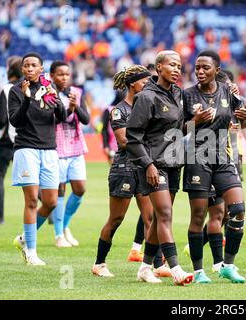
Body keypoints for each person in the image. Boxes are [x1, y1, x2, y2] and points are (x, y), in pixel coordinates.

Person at [92, 65, 171, 277]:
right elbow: (124, 141)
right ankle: (99, 263)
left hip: (143, 167)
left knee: (150, 218)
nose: (148, 85)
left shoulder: (146, 106)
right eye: (145, 82)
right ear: (132, 84)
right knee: (116, 218)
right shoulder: (119, 110)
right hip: (124, 168)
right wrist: (153, 143)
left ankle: (156, 264)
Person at [182, 50, 246, 284]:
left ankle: (227, 265)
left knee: (238, 209)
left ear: (217, 71)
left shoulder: (228, 93)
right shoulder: (187, 95)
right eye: (197, 68)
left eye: (205, 68)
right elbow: (176, 129)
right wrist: (196, 122)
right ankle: (199, 271)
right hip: (197, 158)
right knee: (199, 215)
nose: (200, 72)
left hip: (222, 157)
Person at [126, 50, 194, 285]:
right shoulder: (146, 97)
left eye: (179, 65)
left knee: (158, 217)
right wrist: (148, 165)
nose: (177, 69)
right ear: (159, 68)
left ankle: (145, 267)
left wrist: (197, 123)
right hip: (154, 165)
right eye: (172, 65)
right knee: (165, 214)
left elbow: (179, 129)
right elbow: (133, 136)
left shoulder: (179, 94)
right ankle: (174, 268)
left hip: (174, 163)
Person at [11, 52, 67, 265]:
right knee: (32, 199)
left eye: (34, 65)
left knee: (51, 201)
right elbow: (15, 121)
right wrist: (26, 99)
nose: (29, 68)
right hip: (26, 149)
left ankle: (25, 237)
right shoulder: (17, 91)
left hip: (49, 149)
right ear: (22, 69)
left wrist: (58, 99)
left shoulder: (49, 90)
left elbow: (61, 117)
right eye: (26, 65)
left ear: (41, 68)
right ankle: (31, 251)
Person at [44, 61, 90, 248]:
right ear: (52, 76)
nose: (64, 77)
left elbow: (86, 119)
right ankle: (58, 235)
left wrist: (75, 106)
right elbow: (51, 121)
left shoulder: (76, 93)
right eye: (60, 74)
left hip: (76, 147)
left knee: (80, 189)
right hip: (57, 148)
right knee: (60, 190)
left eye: (67, 74)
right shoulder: (48, 95)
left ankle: (65, 226)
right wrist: (68, 109)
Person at [0, 56, 22, 225]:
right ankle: (49, 209)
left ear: (9, 71)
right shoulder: (26, 89)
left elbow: (3, 120)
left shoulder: (6, 90)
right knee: (29, 179)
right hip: (23, 140)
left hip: (6, 141)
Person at [101, 92, 123, 166]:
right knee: (115, 169)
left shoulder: (130, 108)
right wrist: (105, 145)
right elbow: (104, 129)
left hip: (125, 144)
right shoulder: (109, 110)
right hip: (112, 145)